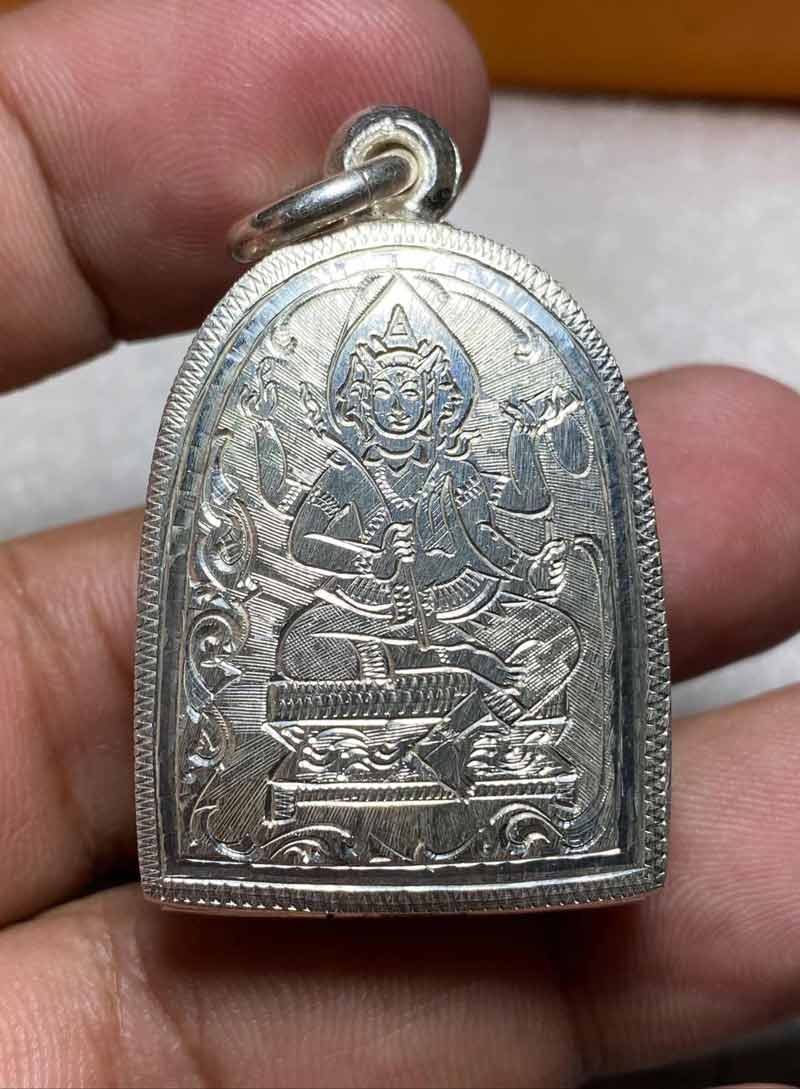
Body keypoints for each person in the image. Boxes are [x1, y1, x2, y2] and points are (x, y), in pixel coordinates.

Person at [0, 1, 798, 1086]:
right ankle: (375, 759)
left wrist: (513, 547)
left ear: (445, 398)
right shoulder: (341, 471)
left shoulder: (457, 465)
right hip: (361, 629)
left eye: (419, 394)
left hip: (447, 626)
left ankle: (489, 761)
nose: (401, 410)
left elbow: (496, 547)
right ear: (353, 401)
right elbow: (304, 549)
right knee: (308, 649)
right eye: (381, 395)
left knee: (540, 645)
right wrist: (360, 572)